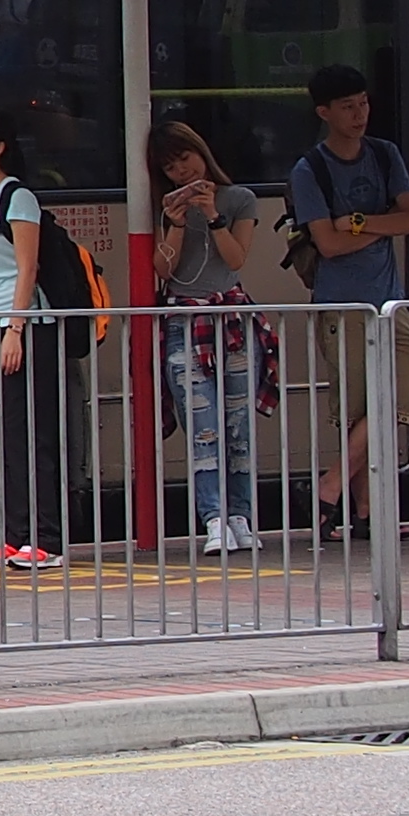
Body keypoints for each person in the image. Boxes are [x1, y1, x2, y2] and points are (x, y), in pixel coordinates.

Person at [288, 62, 409, 543]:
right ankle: (365, 509)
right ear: (324, 112)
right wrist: (371, 224)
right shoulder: (311, 170)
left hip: (390, 300)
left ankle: (329, 486)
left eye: (363, 102)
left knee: (401, 388)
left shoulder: (385, 155)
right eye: (348, 106)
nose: (359, 113)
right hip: (341, 303)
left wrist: (358, 222)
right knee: (363, 407)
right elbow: (327, 244)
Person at [0, 99, 77, 572]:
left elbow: (28, 268)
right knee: (6, 433)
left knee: (35, 430)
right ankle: (13, 535)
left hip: (25, 328)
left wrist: (15, 328)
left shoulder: (17, 198)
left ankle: (47, 536)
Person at [150, 114, 269, 558]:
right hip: (185, 321)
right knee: (203, 427)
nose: (183, 173)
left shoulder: (240, 199)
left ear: (201, 152)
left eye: (185, 159)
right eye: (171, 169)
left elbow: (236, 258)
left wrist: (213, 216)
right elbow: (164, 269)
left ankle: (240, 514)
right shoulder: (164, 209)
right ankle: (213, 518)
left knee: (237, 425)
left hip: (231, 318)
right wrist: (177, 222)